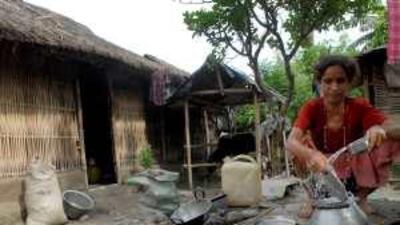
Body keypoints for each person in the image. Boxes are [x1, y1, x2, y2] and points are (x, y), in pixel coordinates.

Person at [286, 55, 400, 218]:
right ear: (320, 82)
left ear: (349, 83)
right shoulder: (311, 107)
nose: (334, 87)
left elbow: (392, 127)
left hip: (353, 159)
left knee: (388, 140)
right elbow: (290, 141)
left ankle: (360, 198)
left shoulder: (359, 106)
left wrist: (379, 128)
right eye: (328, 81)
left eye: (340, 81)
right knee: (298, 148)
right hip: (320, 162)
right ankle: (312, 199)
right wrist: (311, 154)